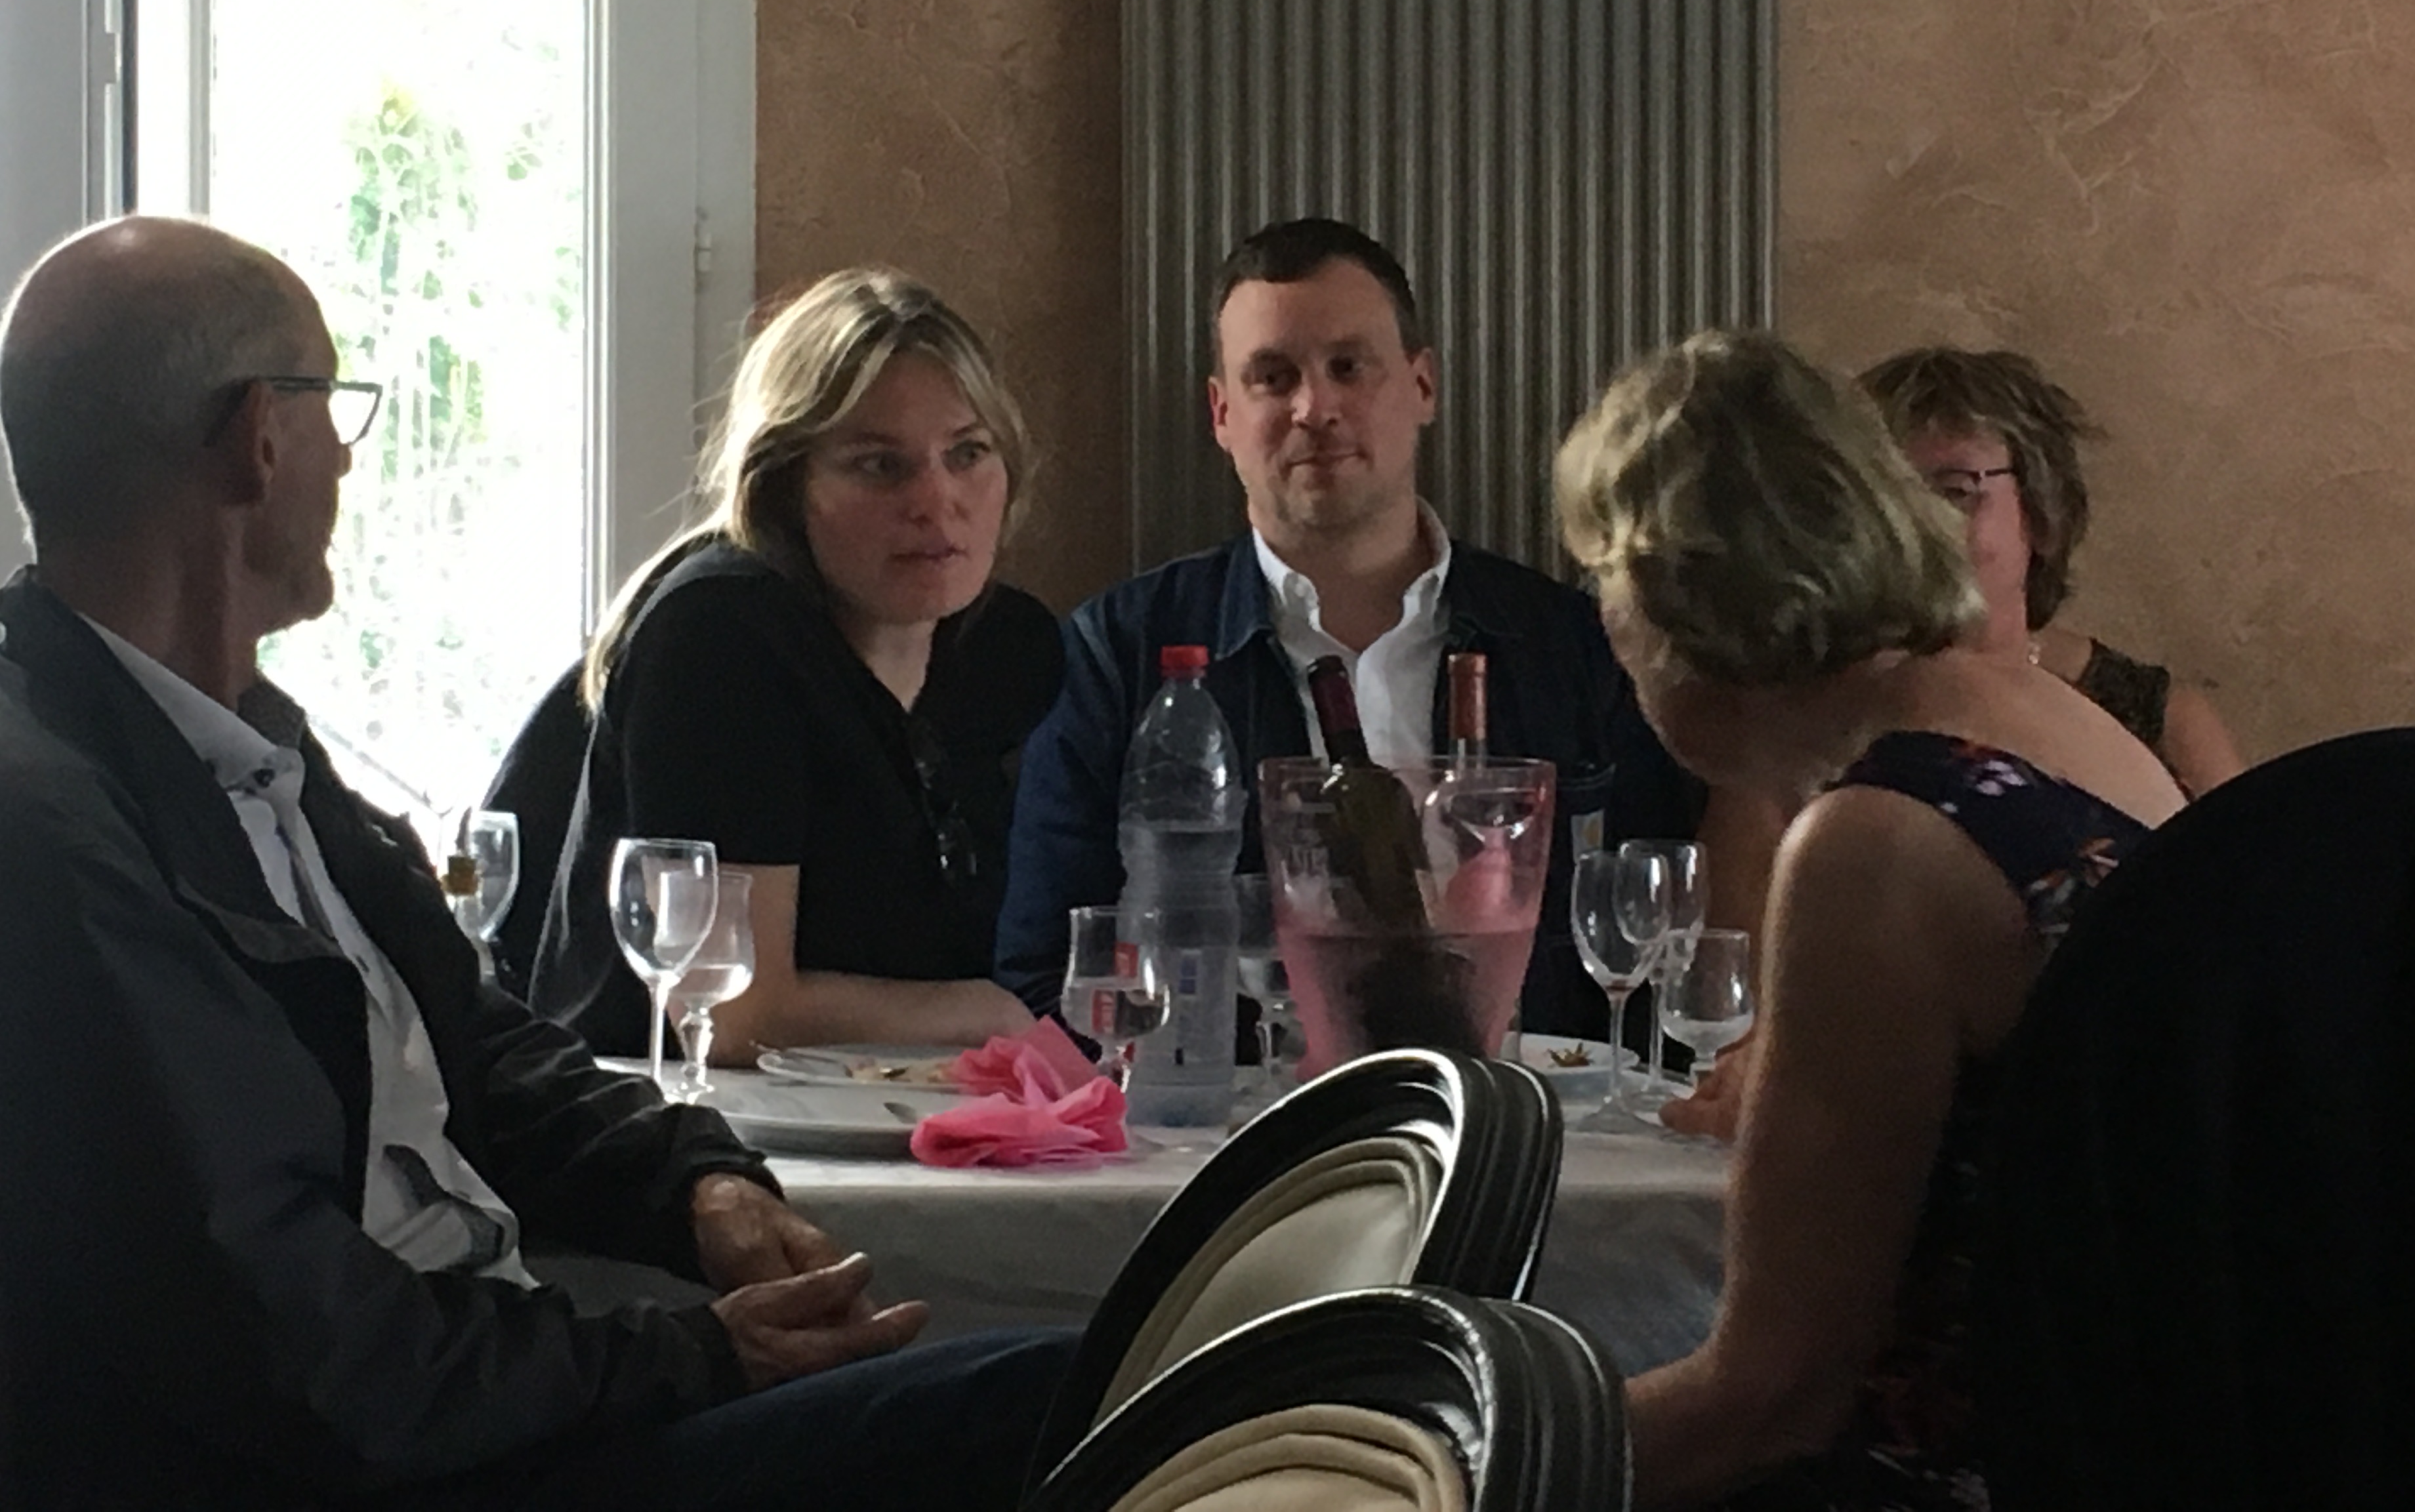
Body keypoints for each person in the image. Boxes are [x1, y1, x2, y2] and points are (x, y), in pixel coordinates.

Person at [0, 216, 1070, 1510]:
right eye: (335, 405)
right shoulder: (54, 827)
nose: (349, 456)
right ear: (260, 437)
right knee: (1064, 1402)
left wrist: (695, 1186)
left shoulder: (242, 746)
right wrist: (692, 1355)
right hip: (409, 1470)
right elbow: (302, 1345)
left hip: (504, 1405)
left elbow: (487, 1044)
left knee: (1095, 1380)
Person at [1553, 328, 2184, 1511]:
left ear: (1675, 604)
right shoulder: (2054, 720)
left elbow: (1773, 1398)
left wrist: (1447, 1480)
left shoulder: (1875, 846)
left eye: (1607, 581)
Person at [997, 216, 1700, 1043]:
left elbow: (1667, 943)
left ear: (1423, 385)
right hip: (1236, 1118)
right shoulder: (1116, 657)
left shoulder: (1576, 647)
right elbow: (1044, 975)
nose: (1314, 408)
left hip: (1533, 1115)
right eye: (1273, 377)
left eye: (1348, 367)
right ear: (1222, 414)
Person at [527, 267, 1059, 1058]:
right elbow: (732, 1010)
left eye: (968, 453)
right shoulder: (719, 637)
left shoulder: (1005, 647)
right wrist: (992, 1015)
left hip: (906, 1106)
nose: (937, 499)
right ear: (785, 485)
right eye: (880, 464)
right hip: (670, 1110)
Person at [1857, 345, 2246, 797]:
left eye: (1955, 492)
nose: (1916, 525)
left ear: (2043, 515)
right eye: (1888, 495)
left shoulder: (2163, 726)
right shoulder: (1824, 712)